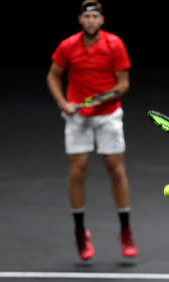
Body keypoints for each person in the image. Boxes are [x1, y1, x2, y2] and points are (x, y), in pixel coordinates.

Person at [46, 0, 137, 260]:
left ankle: (125, 230)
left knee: (116, 170)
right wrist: (63, 103)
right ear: (80, 20)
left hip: (108, 116)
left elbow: (123, 85)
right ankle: (79, 232)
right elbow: (53, 75)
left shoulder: (115, 44)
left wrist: (101, 99)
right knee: (77, 171)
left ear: (101, 20)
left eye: (95, 16)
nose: (91, 21)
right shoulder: (67, 46)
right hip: (77, 118)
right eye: (87, 17)